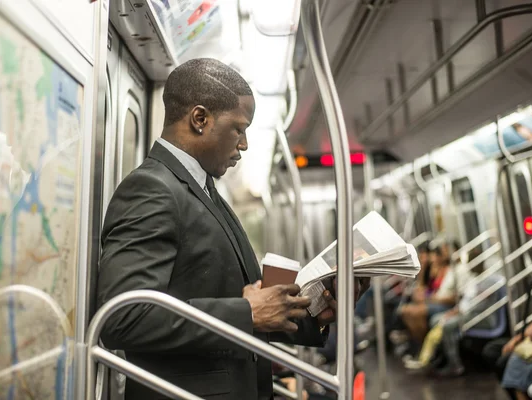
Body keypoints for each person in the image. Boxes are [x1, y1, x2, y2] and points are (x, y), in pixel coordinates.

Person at [97, 58, 369, 399]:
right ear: (200, 119)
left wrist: (313, 311)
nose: (244, 144)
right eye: (238, 129)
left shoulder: (203, 190)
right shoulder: (152, 190)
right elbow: (123, 316)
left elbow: (229, 297)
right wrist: (248, 312)